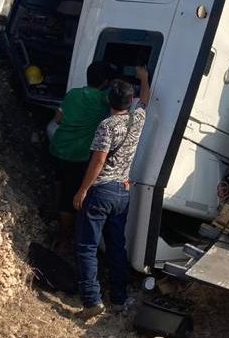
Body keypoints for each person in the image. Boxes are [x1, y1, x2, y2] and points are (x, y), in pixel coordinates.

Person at [73, 66, 150, 321]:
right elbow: (145, 100)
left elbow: (98, 161)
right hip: (122, 193)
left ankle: (92, 300)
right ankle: (119, 298)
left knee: (86, 246)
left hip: (101, 192)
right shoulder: (137, 118)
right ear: (130, 101)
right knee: (117, 246)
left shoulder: (106, 126)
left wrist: (83, 190)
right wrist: (144, 79)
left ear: (109, 100)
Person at [48, 60, 116, 255]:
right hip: (77, 156)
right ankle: (63, 241)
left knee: (59, 184)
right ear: (105, 82)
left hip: (58, 148)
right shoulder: (103, 99)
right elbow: (120, 100)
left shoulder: (73, 94)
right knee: (69, 200)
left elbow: (58, 119)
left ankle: (53, 215)